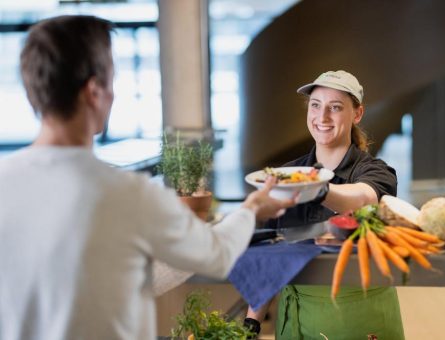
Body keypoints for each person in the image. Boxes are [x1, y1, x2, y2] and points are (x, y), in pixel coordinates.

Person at [0, 15, 296, 340]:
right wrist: (252, 209)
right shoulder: (127, 194)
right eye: (112, 79)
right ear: (94, 91)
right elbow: (216, 254)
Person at [244, 70, 405, 339]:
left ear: (357, 114)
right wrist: (251, 325)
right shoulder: (286, 175)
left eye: (336, 107)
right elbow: (269, 258)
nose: (323, 117)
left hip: (360, 320)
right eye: (316, 105)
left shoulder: (377, 171)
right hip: (295, 321)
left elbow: (364, 197)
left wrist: (316, 188)